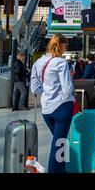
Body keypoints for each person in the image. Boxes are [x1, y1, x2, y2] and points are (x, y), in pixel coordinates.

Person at [30, 34, 74, 173]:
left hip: (46, 110)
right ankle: (56, 171)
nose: (65, 48)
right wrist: (61, 96)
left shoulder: (38, 62)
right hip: (62, 107)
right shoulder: (61, 63)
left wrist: (48, 90)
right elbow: (68, 88)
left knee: (61, 141)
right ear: (59, 45)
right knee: (59, 143)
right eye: (65, 45)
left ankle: (64, 169)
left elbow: (34, 88)